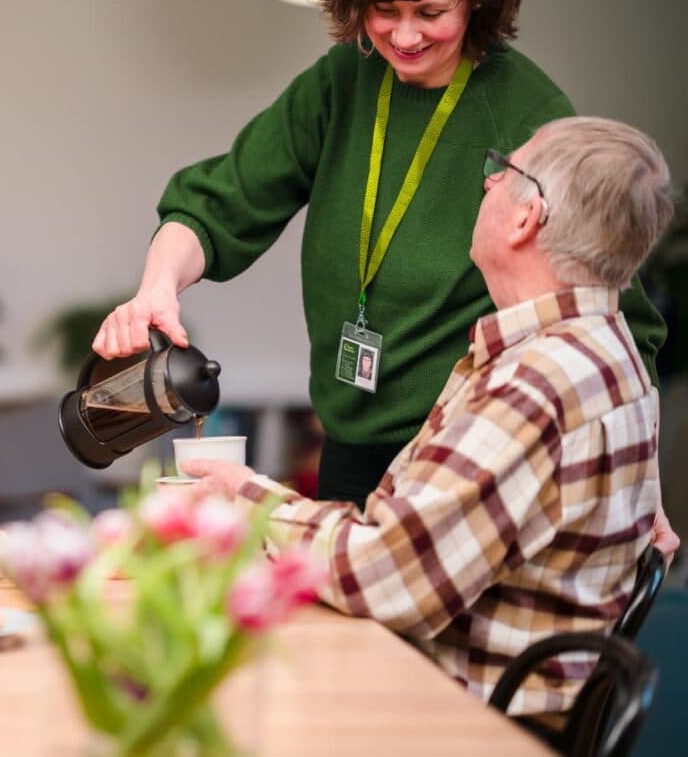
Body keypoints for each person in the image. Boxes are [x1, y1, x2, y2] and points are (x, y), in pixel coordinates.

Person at [92, 0, 666, 507]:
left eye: (430, 12)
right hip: (346, 444)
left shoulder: (526, 112)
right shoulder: (346, 79)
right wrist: (155, 291)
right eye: (384, 10)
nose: (405, 36)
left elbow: (616, 322)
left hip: (461, 455)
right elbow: (217, 204)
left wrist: (639, 493)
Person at [183, 116, 677, 717]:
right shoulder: (610, 347)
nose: (489, 184)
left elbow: (386, 575)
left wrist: (249, 502)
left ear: (527, 217)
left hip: (453, 718)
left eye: (506, 171)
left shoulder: (537, 382)